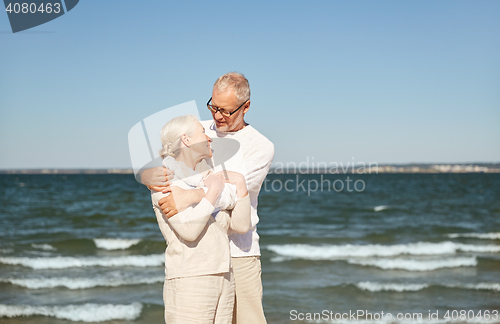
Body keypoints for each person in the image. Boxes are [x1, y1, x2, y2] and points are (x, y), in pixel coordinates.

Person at [144, 72, 274, 324]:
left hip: (241, 250)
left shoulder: (260, 146)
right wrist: (148, 173)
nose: (217, 116)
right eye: (213, 106)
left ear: (246, 107)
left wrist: (189, 195)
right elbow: (168, 159)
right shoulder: (198, 130)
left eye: (225, 110)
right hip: (203, 254)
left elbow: (234, 194)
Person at [151, 114, 251, 324]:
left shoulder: (208, 179)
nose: (209, 138)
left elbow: (241, 225)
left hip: (224, 275)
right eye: (202, 132)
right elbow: (190, 231)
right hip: (191, 279)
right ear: (186, 140)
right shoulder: (165, 182)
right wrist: (212, 192)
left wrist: (240, 185)